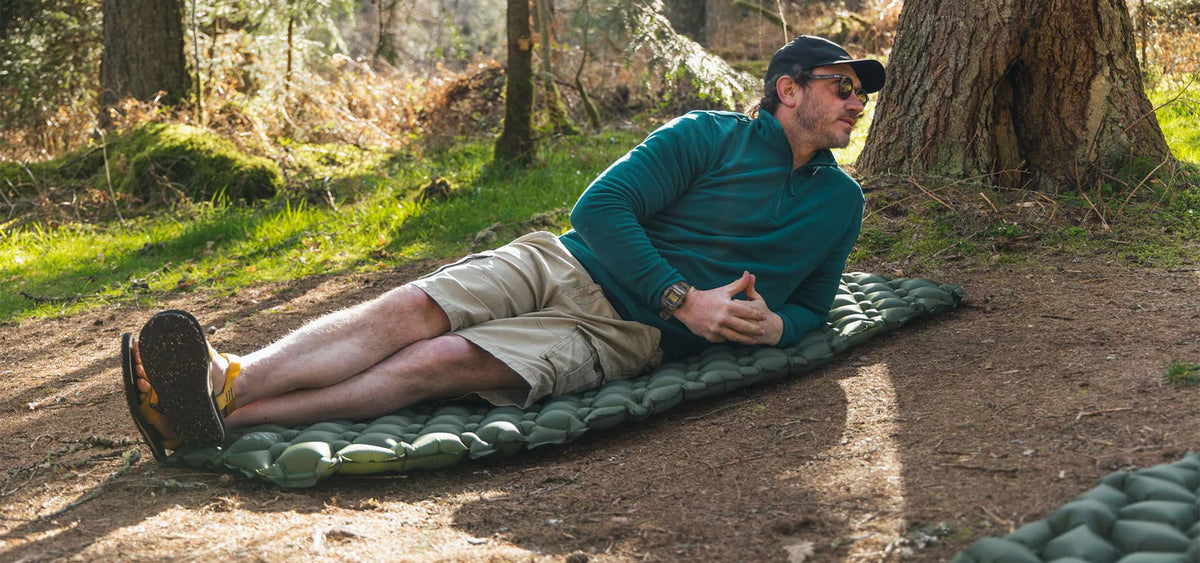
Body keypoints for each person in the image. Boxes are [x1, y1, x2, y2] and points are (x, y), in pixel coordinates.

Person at [122, 35, 885, 460]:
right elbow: (603, 206)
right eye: (843, 85)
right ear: (787, 89)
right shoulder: (706, 135)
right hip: (568, 259)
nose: (856, 102)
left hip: (621, 334)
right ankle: (228, 375)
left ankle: (225, 419)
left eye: (863, 93)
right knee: (414, 308)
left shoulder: (839, 204)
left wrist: (769, 325)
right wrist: (685, 297)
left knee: (438, 362)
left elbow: (814, 304)